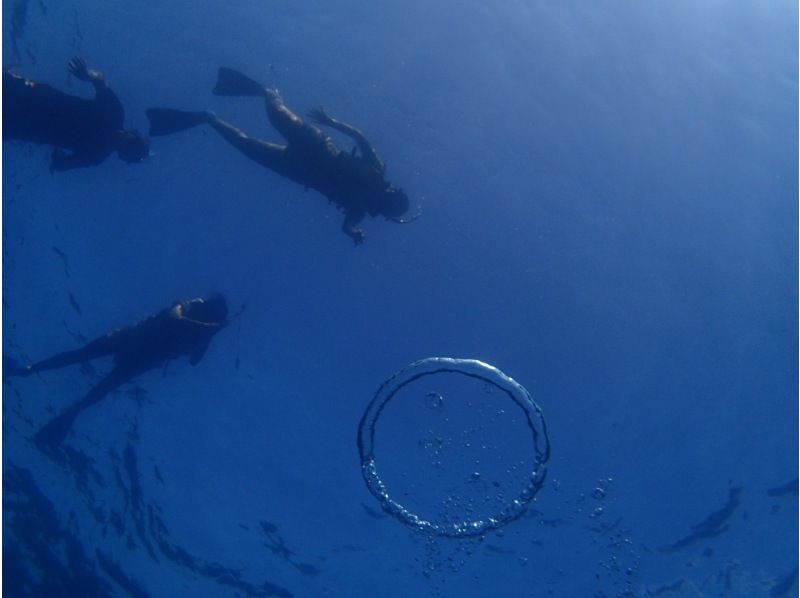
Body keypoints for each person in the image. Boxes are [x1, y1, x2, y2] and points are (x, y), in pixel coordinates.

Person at [146, 68, 411, 244]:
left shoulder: (359, 210)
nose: (386, 199)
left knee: (246, 146)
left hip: (301, 171)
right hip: (318, 146)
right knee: (275, 113)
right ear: (393, 193)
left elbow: (347, 226)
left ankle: (207, 118)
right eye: (391, 199)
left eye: (388, 206)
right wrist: (329, 121)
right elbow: (360, 138)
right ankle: (267, 91)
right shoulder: (376, 171)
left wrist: (354, 233)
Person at [4, 294, 229, 448]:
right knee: (80, 356)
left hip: (140, 357)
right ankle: (26, 370)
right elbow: (172, 316)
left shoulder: (201, 336)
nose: (210, 316)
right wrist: (203, 328)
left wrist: (211, 334)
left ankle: (64, 416)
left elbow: (194, 362)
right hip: (131, 340)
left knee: (98, 388)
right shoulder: (188, 306)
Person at [3, 57, 150, 171]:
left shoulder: (113, 117)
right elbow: (61, 165)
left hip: (32, 107)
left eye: (129, 149)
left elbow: (98, 79)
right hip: (29, 116)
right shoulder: (97, 152)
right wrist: (86, 75)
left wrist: (86, 75)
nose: (125, 145)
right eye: (132, 145)